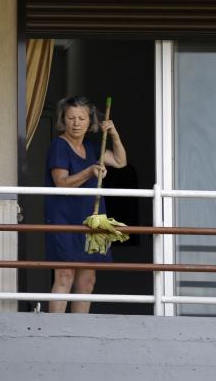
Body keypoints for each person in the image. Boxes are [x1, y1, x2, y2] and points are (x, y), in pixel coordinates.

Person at [45, 95, 127, 313]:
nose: (76, 123)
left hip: (93, 217)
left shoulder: (92, 147)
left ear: (89, 122)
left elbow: (120, 161)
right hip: (64, 218)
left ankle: (78, 331)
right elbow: (61, 183)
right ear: (63, 119)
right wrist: (89, 171)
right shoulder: (59, 145)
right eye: (71, 118)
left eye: (81, 118)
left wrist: (114, 135)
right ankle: (55, 330)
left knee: (88, 279)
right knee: (65, 275)